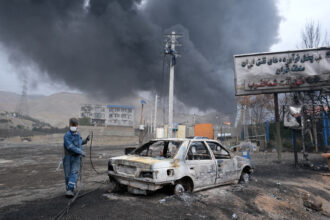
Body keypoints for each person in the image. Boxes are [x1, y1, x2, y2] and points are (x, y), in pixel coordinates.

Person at [63, 118, 90, 197]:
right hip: (68, 157)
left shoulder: (78, 134)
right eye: (73, 125)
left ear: (77, 125)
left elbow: (79, 143)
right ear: (70, 125)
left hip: (76, 157)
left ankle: (70, 189)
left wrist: (86, 140)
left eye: (75, 125)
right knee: (67, 174)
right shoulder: (67, 136)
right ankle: (68, 188)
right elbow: (70, 147)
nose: (74, 127)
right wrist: (81, 152)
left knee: (74, 172)